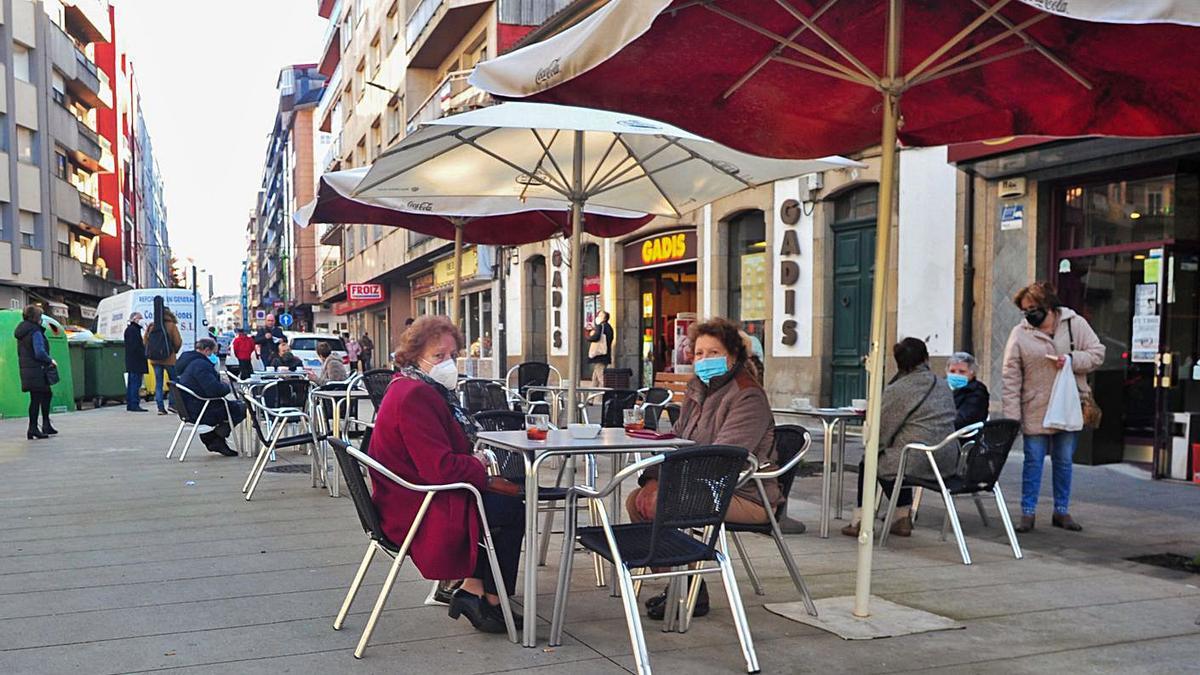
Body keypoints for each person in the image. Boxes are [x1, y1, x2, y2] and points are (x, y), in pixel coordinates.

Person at [368, 315, 524, 634]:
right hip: (417, 507)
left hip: (407, 497)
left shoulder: (410, 387)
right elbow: (441, 470)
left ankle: (474, 589)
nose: (448, 363)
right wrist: (478, 463)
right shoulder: (416, 395)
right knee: (508, 509)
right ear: (414, 357)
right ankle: (490, 599)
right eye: (438, 356)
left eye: (452, 355)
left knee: (498, 501)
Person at [624, 317, 777, 620]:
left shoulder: (747, 395)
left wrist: (667, 488)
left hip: (745, 494)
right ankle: (683, 583)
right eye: (699, 353)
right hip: (701, 486)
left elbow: (725, 459)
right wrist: (654, 481)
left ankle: (688, 587)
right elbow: (675, 443)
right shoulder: (698, 390)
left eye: (714, 352)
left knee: (659, 505)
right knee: (637, 500)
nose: (705, 359)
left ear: (733, 356)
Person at [1002, 282, 1104, 533]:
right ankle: (1028, 513)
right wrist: (1012, 417)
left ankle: (1061, 511)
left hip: (1068, 404)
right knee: (1033, 461)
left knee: (1064, 461)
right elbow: (1010, 377)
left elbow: (1097, 353)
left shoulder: (1073, 324)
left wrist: (1071, 360)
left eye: (1034, 308)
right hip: (1035, 406)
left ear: (1049, 305)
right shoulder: (1020, 333)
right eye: (1025, 310)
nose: (1029, 314)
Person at [842, 338, 957, 539]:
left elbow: (881, 431)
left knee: (871, 461)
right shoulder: (943, 385)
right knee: (896, 457)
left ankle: (860, 521)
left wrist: (873, 447)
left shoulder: (898, 390)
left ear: (898, 363)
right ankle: (902, 517)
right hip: (948, 458)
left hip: (918, 458)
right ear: (926, 358)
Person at [176, 338, 245, 457]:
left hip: (190, 407)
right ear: (207, 351)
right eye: (213, 353)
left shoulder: (190, 362)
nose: (214, 356)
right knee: (243, 408)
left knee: (235, 407)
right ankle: (215, 437)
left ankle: (215, 438)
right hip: (201, 408)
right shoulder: (201, 365)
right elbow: (214, 390)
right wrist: (226, 386)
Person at [14, 305, 57, 439]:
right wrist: (50, 360)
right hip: (37, 369)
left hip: (28, 370)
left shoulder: (22, 331)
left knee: (43, 395)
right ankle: (34, 428)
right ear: (36, 318)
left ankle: (43, 425)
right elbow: (39, 352)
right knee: (38, 398)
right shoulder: (35, 331)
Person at [145, 307, 183, 415]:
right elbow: (178, 341)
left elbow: (145, 340)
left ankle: (160, 408)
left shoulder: (152, 326)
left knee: (158, 383)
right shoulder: (171, 326)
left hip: (155, 359)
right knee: (173, 382)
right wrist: (173, 351)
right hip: (169, 359)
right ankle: (172, 405)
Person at [947, 351, 989, 429]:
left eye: (962, 372)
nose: (956, 375)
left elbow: (963, 420)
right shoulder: (943, 388)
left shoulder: (977, 391)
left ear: (972, 373)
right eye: (952, 371)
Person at [123, 312, 149, 412]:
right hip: (136, 362)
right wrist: (144, 353)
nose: (142, 320)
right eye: (140, 318)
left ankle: (131, 403)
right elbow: (135, 347)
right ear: (134, 319)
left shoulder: (132, 330)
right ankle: (134, 404)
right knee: (135, 384)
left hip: (132, 362)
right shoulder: (133, 331)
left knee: (132, 383)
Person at [586, 310, 614, 387]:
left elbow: (596, 337)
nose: (597, 317)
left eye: (600, 315)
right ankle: (591, 397)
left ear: (604, 318)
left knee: (601, 378)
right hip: (605, 355)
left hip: (599, 356)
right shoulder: (609, 328)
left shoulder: (601, 327)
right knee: (595, 378)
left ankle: (610, 394)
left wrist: (589, 337)